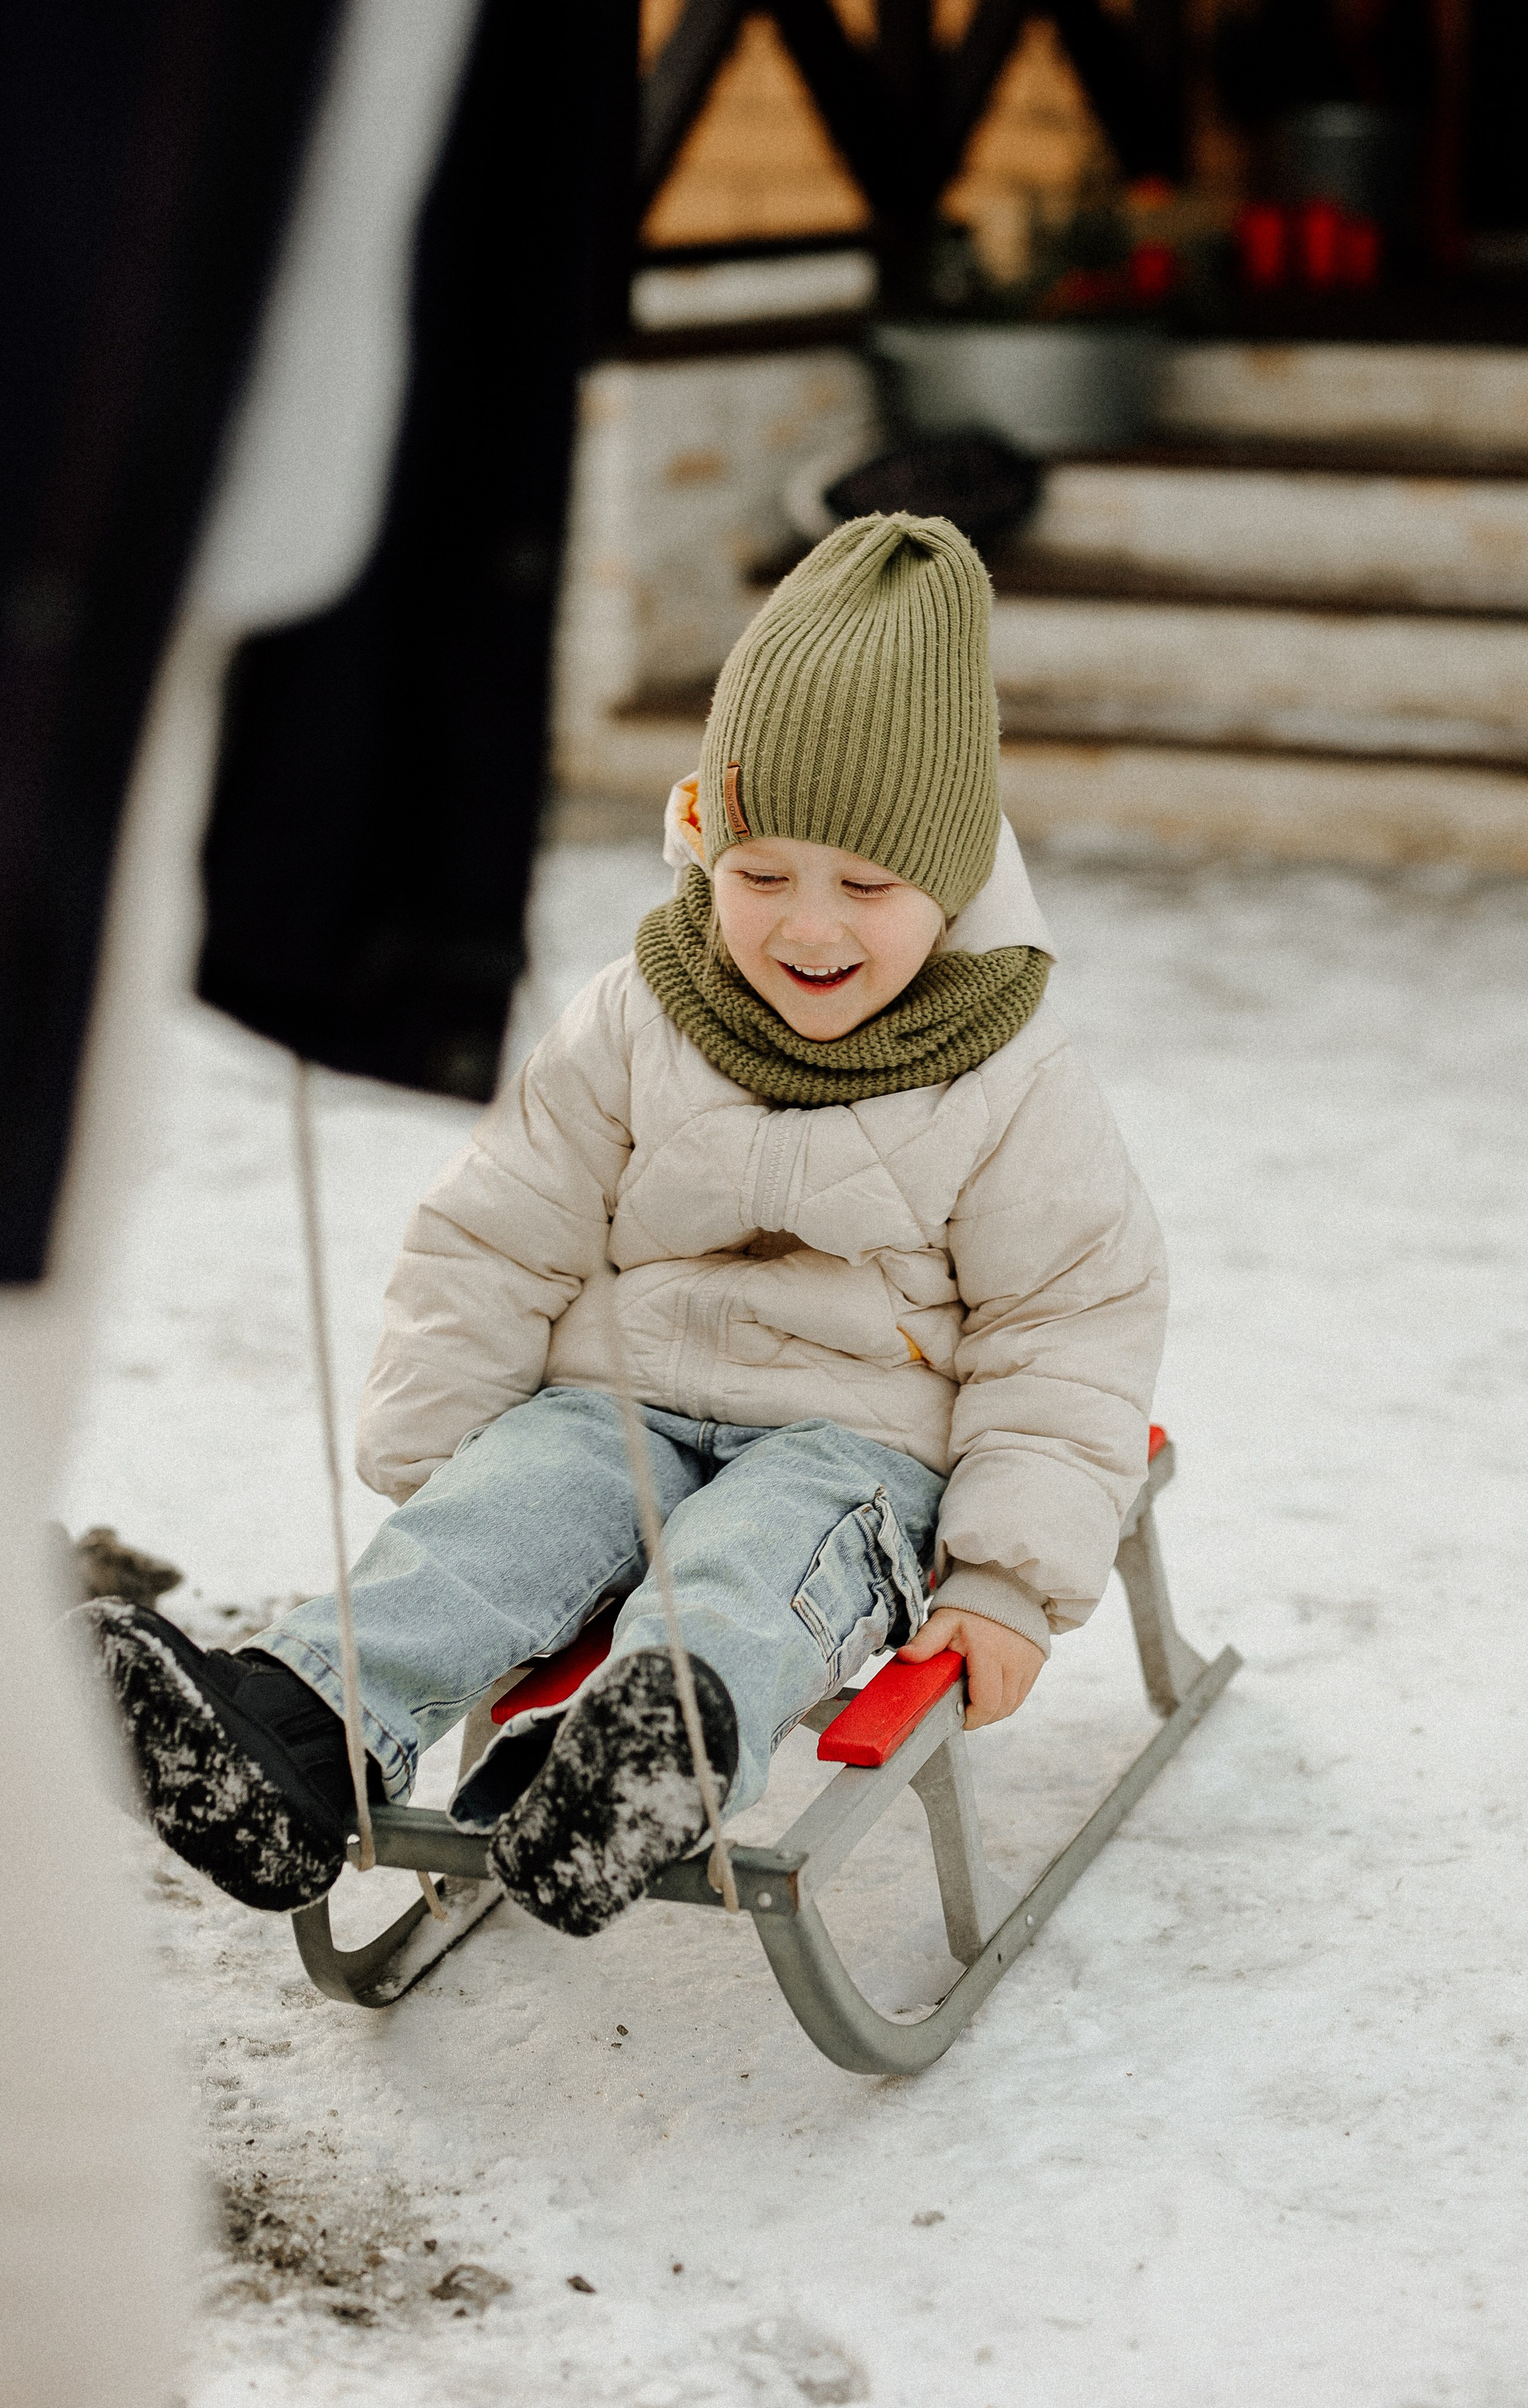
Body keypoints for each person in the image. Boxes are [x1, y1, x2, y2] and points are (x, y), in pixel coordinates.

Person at [85, 513, 1167, 1938]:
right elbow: (503, 1222)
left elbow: (1067, 1329)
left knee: (750, 1568)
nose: (805, 926)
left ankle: (638, 1757)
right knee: (495, 1525)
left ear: (952, 881)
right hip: (616, 1399)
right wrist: (444, 1434)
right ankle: (289, 1738)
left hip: (863, 1443)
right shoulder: (642, 1010)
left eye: (865, 885)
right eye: (761, 874)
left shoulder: (1011, 1076)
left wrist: (1006, 1580)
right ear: (702, 837)